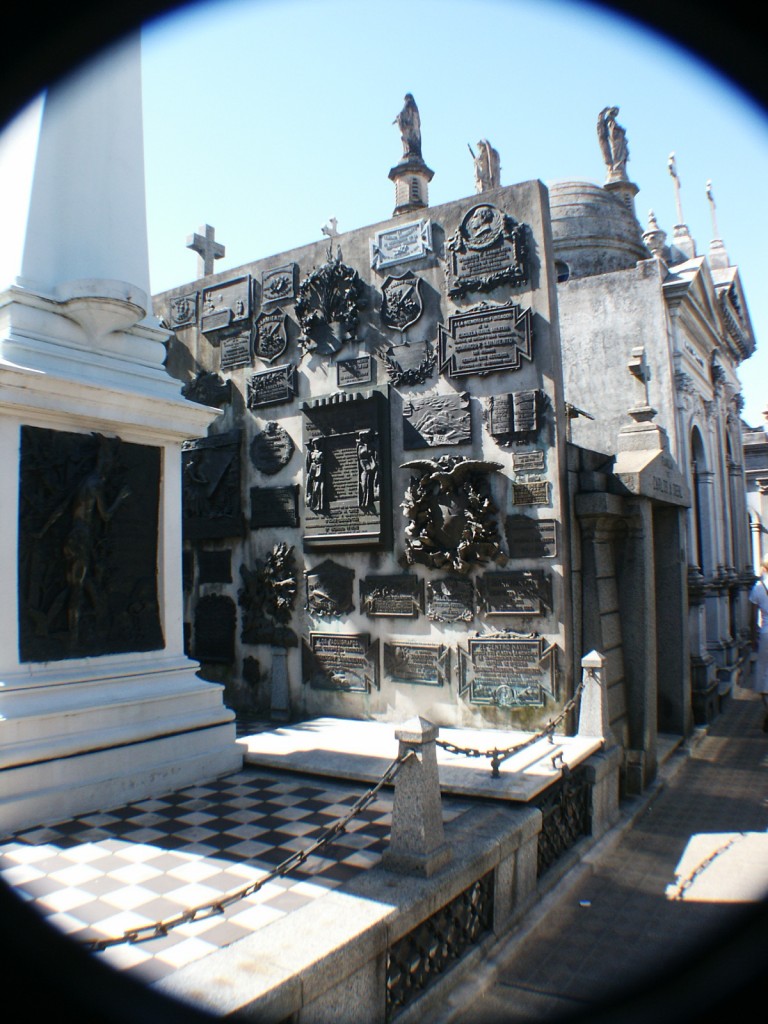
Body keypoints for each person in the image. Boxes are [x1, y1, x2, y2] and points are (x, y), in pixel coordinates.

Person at [748, 555, 768, 731]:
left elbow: (752, 616)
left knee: (763, 673)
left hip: (766, 635)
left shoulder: (759, 587)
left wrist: (753, 637)